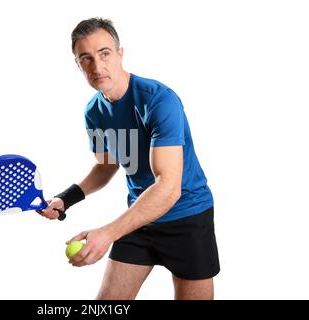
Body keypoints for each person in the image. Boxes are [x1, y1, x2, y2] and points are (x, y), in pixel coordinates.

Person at [37, 18, 220, 300]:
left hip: (187, 217)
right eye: (86, 58)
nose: (97, 67)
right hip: (139, 219)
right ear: (77, 64)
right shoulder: (93, 111)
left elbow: (168, 187)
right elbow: (106, 164)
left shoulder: (159, 101)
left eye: (104, 53)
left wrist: (108, 233)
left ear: (120, 54)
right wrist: (66, 199)